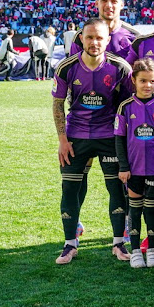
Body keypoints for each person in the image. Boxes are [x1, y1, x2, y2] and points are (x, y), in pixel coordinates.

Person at [52, 18, 133, 265]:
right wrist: (62, 140)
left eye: (100, 37)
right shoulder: (66, 67)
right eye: (89, 37)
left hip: (109, 137)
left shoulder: (120, 67)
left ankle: (119, 242)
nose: (94, 42)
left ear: (108, 40)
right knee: (71, 189)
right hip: (76, 137)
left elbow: (129, 105)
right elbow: (57, 104)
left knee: (117, 189)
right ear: (81, 40)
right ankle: (70, 245)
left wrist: (125, 141)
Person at [115, 58, 154, 268]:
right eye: (143, 81)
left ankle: (153, 249)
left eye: (152, 81)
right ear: (134, 81)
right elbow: (119, 138)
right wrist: (123, 166)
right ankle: (136, 250)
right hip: (134, 169)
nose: (148, 85)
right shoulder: (125, 107)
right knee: (135, 209)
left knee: (151, 209)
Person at [70, 0, 140, 59]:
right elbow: (73, 69)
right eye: (104, 0)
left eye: (114, 1)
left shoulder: (134, 36)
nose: (109, 5)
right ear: (97, 4)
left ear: (122, 5)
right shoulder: (82, 35)